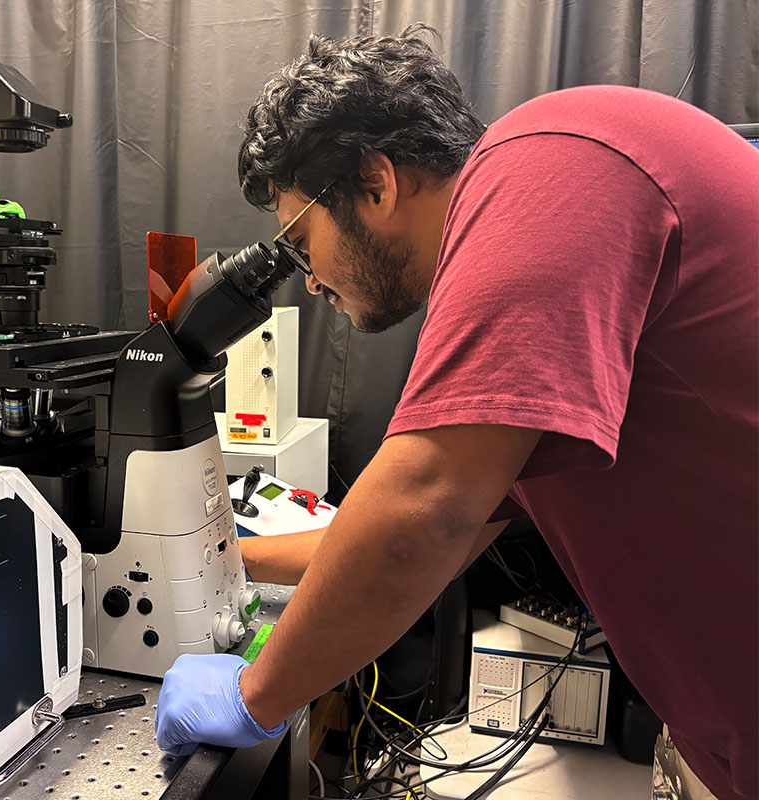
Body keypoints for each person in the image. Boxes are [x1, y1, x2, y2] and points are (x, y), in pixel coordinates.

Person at [155, 26, 758, 800]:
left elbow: (427, 506)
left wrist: (252, 696)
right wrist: (226, 552)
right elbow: (426, 526)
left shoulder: (551, 162)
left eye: (304, 244)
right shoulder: (538, 284)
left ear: (375, 183)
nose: (309, 282)